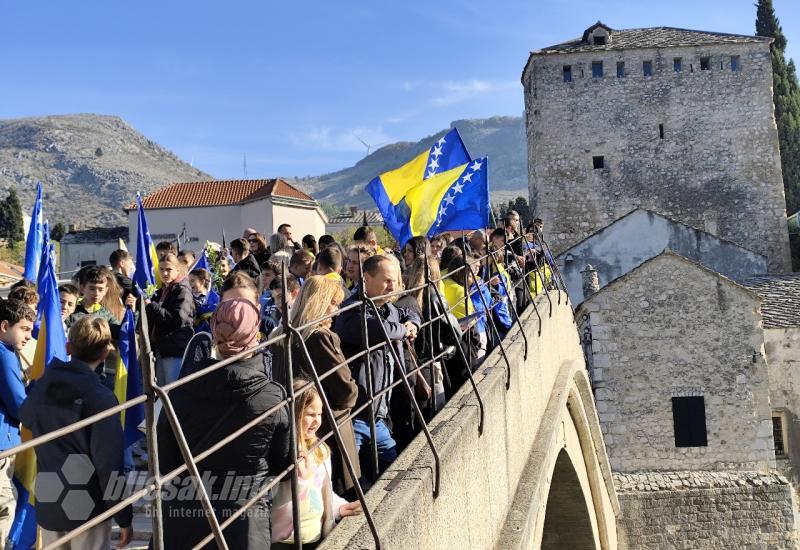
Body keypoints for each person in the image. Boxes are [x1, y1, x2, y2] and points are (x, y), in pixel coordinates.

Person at [158, 298, 291, 549]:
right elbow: (283, 462)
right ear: (256, 337)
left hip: (184, 515)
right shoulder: (272, 395)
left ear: (213, 335)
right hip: (244, 518)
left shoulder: (178, 392)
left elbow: (165, 462)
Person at [19, 316, 133, 549]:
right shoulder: (101, 397)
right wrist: (124, 516)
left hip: (50, 505)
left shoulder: (43, 386)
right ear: (104, 354)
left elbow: (26, 418)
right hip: (89, 513)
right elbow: (109, 463)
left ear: (68, 347)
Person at [271, 277, 360, 492]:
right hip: (328, 425)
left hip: (300, 426)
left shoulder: (282, 333)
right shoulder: (318, 336)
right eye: (333, 303)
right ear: (318, 302)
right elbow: (347, 392)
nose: (337, 312)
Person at [334, 255, 420, 476]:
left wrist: (413, 323)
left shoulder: (388, 309)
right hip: (355, 415)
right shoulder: (351, 311)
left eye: (395, 281)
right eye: (386, 281)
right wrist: (404, 330)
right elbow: (379, 329)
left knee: (393, 473)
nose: (392, 287)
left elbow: (408, 311)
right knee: (349, 481)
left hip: (378, 416)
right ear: (367, 278)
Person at [271, 381, 361, 549]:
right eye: (311, 414)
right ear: (295, 413)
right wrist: (300, 479)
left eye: (320, 414)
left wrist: (338, 508)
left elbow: (321, 490)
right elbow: (276, 498)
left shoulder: (320, 449)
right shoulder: (280, 452)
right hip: (284, 541)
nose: (317, 421)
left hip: (316, 536)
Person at [0, 299, 34, 543]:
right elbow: (18, 404)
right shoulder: (5, 355)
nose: (28, 337)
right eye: (24, 329)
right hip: (2, 444)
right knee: (5, 506)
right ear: (4, 326)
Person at [145, 253, 195, 384]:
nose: (164, 273)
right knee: (162, 391)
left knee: (172, 392)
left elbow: (176, 319)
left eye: (169, 269)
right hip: (164, 348)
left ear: (177, 270)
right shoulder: (165, 290)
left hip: (175, 349)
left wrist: (151, 306)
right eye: (161, 269)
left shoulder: (181, 290)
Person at [188, 268, 218, 334]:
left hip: (212, 334)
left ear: (202, 281)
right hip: (194, 334)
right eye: (188, 281)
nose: (189, 284)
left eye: (192, 281)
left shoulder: (215, 298)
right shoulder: (188, 297)